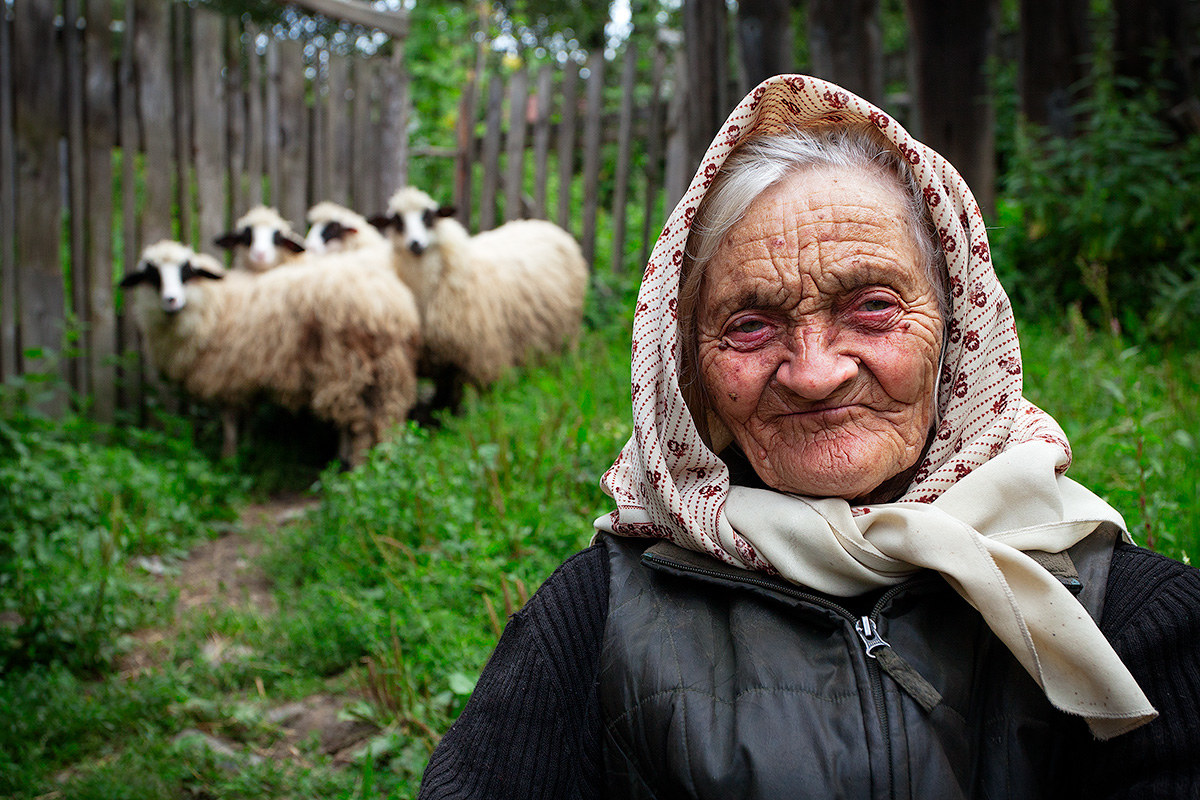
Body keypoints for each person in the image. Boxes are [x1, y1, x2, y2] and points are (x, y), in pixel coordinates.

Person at [416, 75, 1200, 799]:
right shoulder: (592, 622)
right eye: (750, 324)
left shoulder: (1134, 614)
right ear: (689, 370)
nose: (815, 373)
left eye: (872, 307)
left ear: (958, 330)